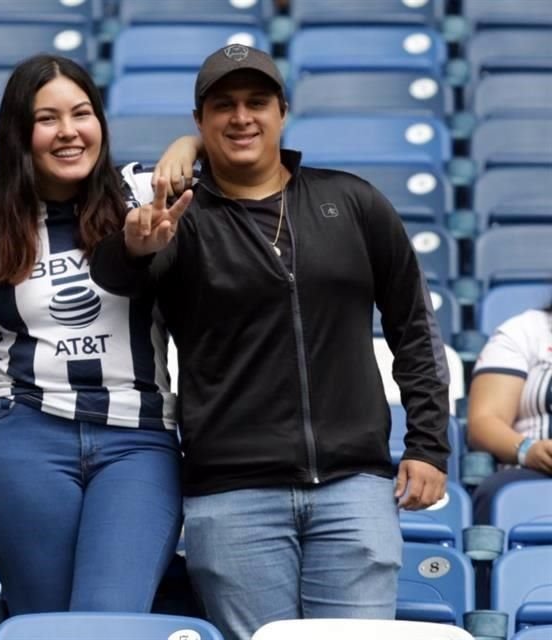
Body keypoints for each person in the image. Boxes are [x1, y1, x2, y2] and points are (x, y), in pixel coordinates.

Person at [90, 44, 451, 640]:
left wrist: (429, 445)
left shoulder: (352, 200)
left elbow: (414, 326)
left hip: (354, 487)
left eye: (257, 102)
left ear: (283, 111)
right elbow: (117, 276)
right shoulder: (180, 217)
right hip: (232, 495)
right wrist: (135, 244)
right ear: (201, 123)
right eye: (223, 106)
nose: (242, 117)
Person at [0, 54, 196, 615]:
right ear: (21, 134)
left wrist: (186, 146)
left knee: (110, 618)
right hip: (23, 439)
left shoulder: (145, 192)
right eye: (47, 119)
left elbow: (242, 149)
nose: (68, 132)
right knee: (42, 623)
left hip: (137, 441)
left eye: (82, 113)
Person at [467, 300, 552, 524]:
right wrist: (529, 450)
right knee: (497, 494)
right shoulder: (526, 331)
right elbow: (484, 421)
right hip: (534, 471)